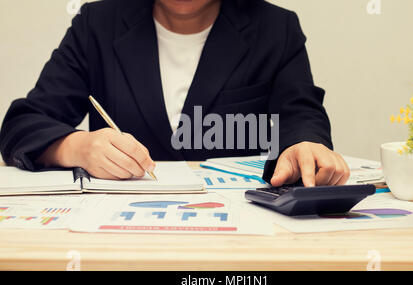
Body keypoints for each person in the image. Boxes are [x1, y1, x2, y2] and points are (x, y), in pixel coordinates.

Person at [0, 0, 350, 187]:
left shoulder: (276, 27)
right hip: (121, 238)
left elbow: (301, 114)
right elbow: (22, 126)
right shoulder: (97, 23)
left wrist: (306, 144)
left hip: (237, 237)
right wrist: (76, 147)